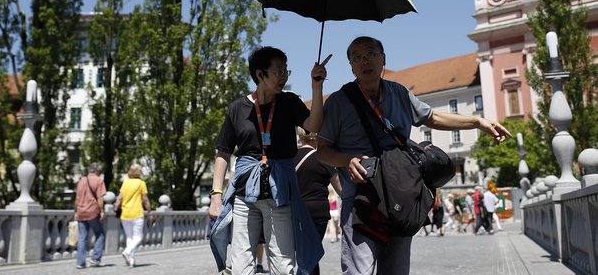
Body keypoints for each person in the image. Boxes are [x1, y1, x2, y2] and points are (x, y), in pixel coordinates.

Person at [316, 36, 512, 275]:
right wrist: (347, 161)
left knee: (396, 270)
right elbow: (323, 151)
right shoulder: (339, 101)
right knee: (358, 271)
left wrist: (477, 122)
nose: (364, 61)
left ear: (383, 59)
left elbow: (432, 118)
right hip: (361, 199)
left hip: (400, 194)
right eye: (357, 57)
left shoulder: (399, 93)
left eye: (371, 54)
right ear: (351, 66)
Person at [209, 46, 331, 275]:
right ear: (260, 74)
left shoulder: (289, 102)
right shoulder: (238, 108)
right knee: (240, 264)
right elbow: (223, 152)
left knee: (283, 265)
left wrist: (317, 86)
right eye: (278, 71)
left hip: (279, 193)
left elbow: (313, 126)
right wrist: (216, 194)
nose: (283, 77)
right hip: (245, 194)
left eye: (286, 72)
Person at [294, 127, 342, 275]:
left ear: (300, 136)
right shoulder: (323, 158)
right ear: (317, 137)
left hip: (296, 212)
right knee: (311, 255)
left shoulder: (290, 158)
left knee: (306, 255)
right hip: (317, 213)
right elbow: (340, 189)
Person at [114, 163, 154, 267]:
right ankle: (127, 252)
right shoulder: (141, 183)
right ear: (138, 172)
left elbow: (119, 197)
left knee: (129, 237)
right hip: (136, 212)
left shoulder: (125, 183)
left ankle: (131, 261)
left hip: (125, 213)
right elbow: (145, 200)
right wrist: (149, 212)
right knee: (138, 237)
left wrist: (116, 206)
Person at [74, 162, 107, 269]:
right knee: (100, 233)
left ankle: (80, 262)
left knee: (82, 237)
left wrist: (76, 211)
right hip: (92, 212)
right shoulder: (99, 180)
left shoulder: (81, 180)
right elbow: (100, 198)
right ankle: (96, 259)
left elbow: (77, 198)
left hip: (81, 212)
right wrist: (102, 211)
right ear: (97, 171)